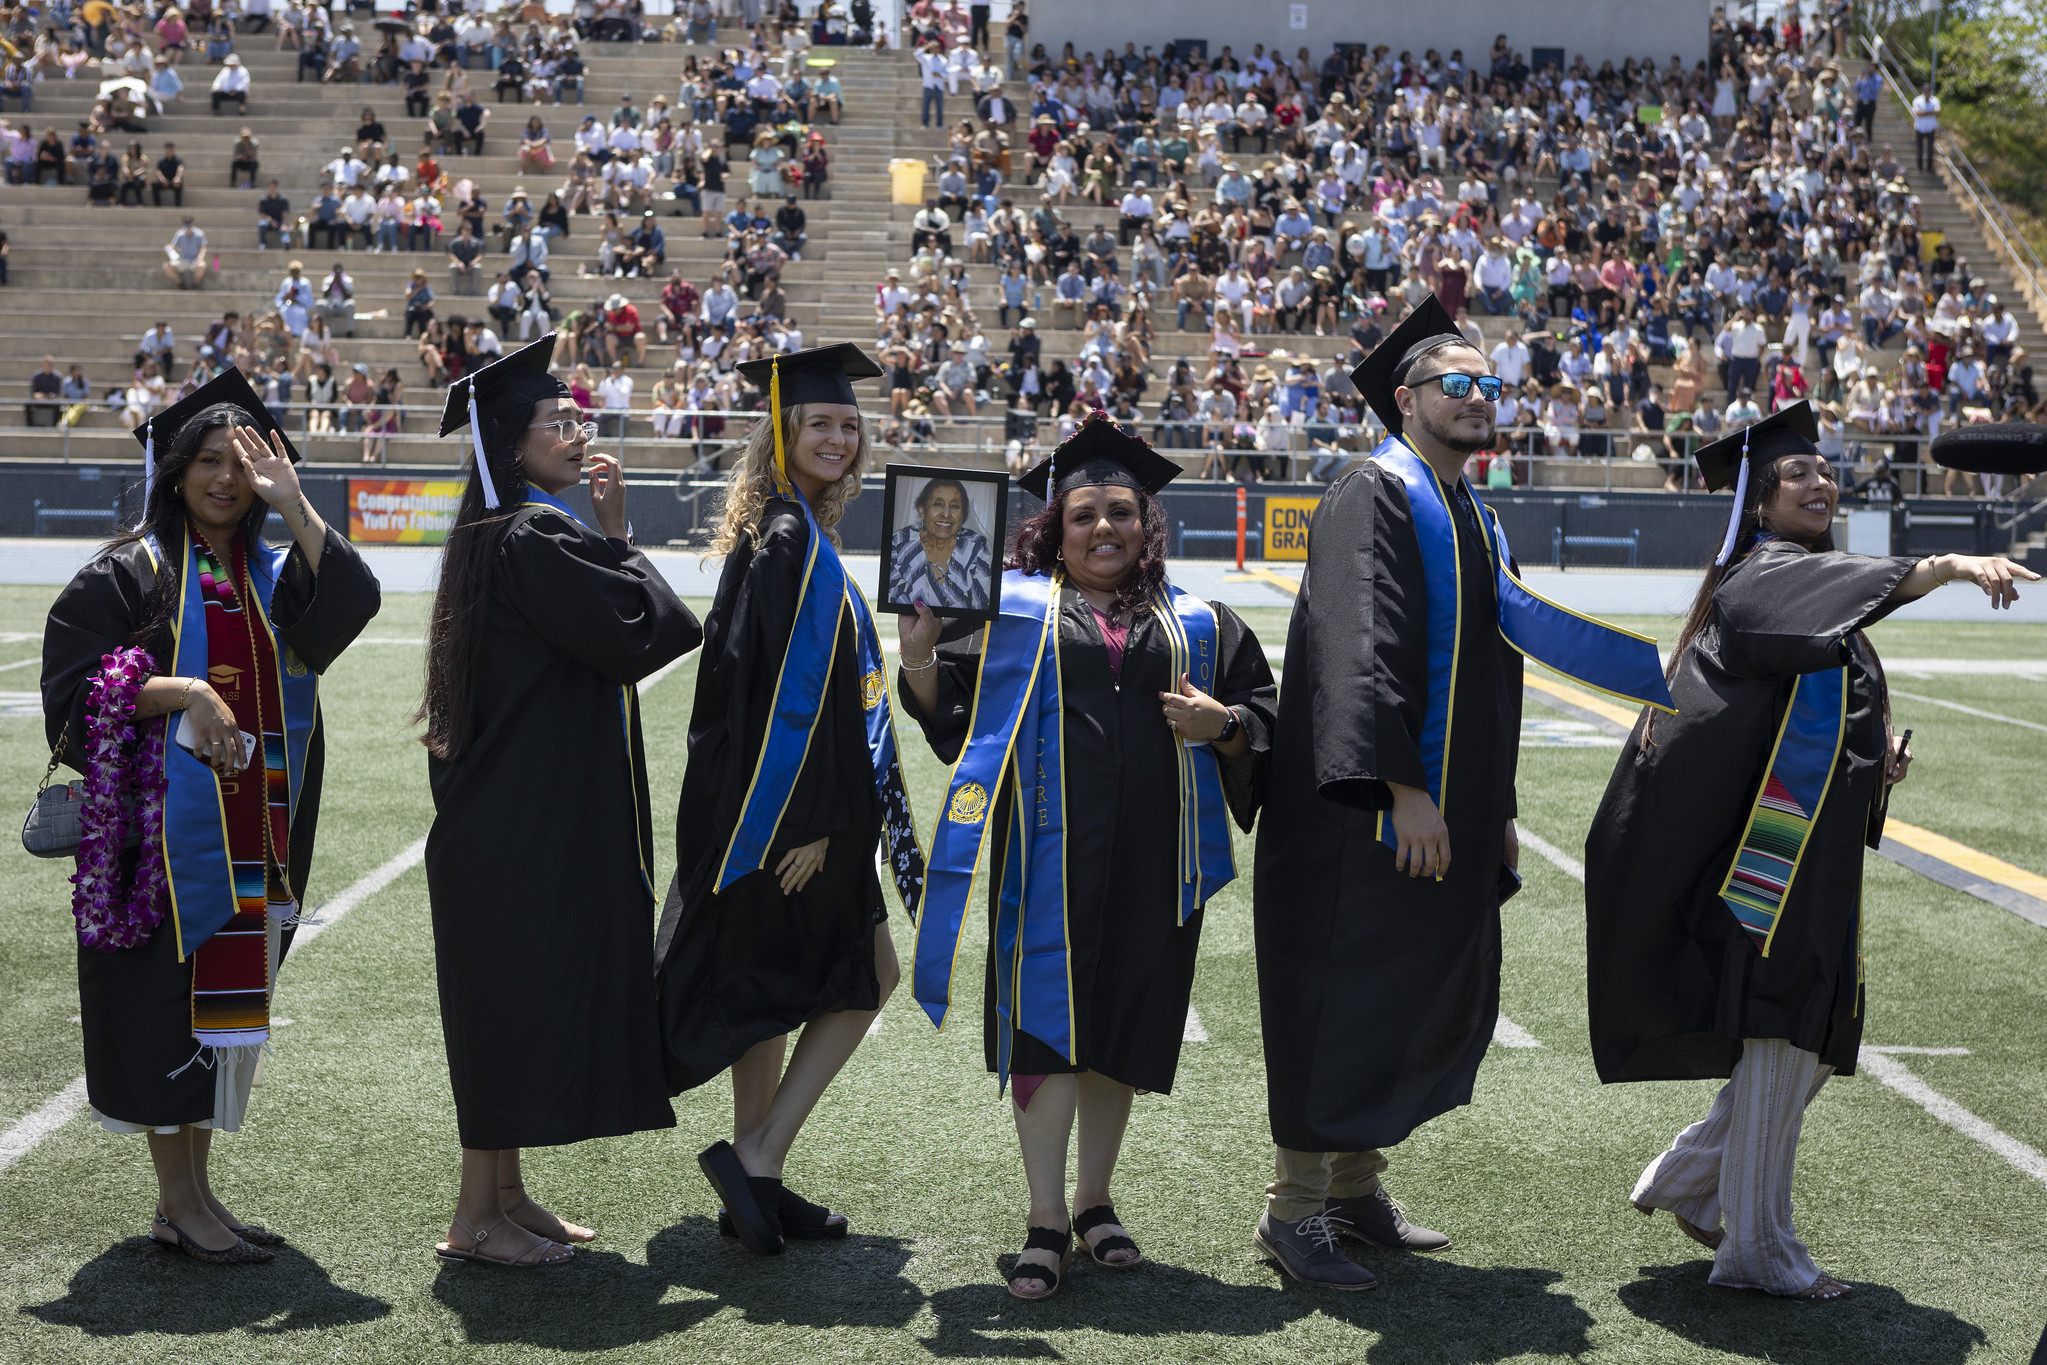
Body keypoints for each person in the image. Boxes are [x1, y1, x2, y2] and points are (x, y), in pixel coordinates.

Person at [1252, 296, 1671, 1289]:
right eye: (1460, 385)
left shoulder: (1466, 512)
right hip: (1361, 812)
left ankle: (1354, 1189)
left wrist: (1496, 807)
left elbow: (1492, 676)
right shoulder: (1372, 488)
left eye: (1492, 386)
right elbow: (1359, 650)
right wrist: (1400, 785)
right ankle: (1292, 1209)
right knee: (1339, 997)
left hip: (1444, 808)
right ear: (1406, 400)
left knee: (1401, 997)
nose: (1483, 399)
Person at [1588, 401, 2038, 1299]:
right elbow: (1825, 610)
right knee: (1785, 1023)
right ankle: (1754, 1248)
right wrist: (1945, 564)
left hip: (1798, 847)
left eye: (1827, 470)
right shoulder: (1761, 578)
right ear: (1756, 503)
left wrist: (1875, 766)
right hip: (1767, 863)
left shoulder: (1791, 582)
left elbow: (1801, 719)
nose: (1821, 481)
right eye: (1798, 474)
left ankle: (1689, 1177)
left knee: (1806, 1030)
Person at [900, 416, 1277, 1300]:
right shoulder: (1009, 609)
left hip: (1156, 860)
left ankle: (1095, 1200)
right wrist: (917, 657)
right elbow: (946, 713)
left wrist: (1219, 725)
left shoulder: (1198, 621)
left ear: (1147, 524)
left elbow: (1265, 715)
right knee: (1045, 1032)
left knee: (1119, 1031)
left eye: (1121, 512)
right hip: (1044, 862)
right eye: (1084, 515)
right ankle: (1042, 1217)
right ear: (1052, 529)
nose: (1104, 528)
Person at [40, 369, 379, 1264]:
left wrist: (297, 504)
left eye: (243, 463)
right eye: (206, 462)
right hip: (160, 840)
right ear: (175, 470)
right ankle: (179, 1201)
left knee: (213, 1018)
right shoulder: (133, 572)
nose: (225, 478)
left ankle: (192, 1196)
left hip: (259, 831)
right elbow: (75, 700)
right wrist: (185, 691)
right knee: (164, 1008)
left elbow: (353, 604)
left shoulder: (274, 575)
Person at [421, 334, 703, 1268]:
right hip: (517, 830)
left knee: (515, 1002)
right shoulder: (534, 534)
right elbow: (645, 632)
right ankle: (472, 1217)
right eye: (558, 421)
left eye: (577, 415)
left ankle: (506, 1193)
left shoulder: (497, 533)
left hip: (508, 821)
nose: (577, 430)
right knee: (506, 1014)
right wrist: (618, 533)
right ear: (511, 442)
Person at [655, 343, 925, 1257]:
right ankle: (760, 1156)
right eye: (819, 423)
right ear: (781, 433)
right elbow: (766, 700)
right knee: (869, 977)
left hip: (800, 814)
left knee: (774, 995)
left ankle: (755, 1175)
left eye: (848, 425)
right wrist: (805, 821)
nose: (838, 437)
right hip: (795, 820)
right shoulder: (783, 544)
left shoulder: (794, 532)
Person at [885, 475, 992, 610]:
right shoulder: (900, 542)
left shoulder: (977, 546)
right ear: (923, 510)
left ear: (963, 514)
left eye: (954, 506)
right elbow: (895, 596)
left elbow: (980, 604)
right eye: (938, 504)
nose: (946, 514)